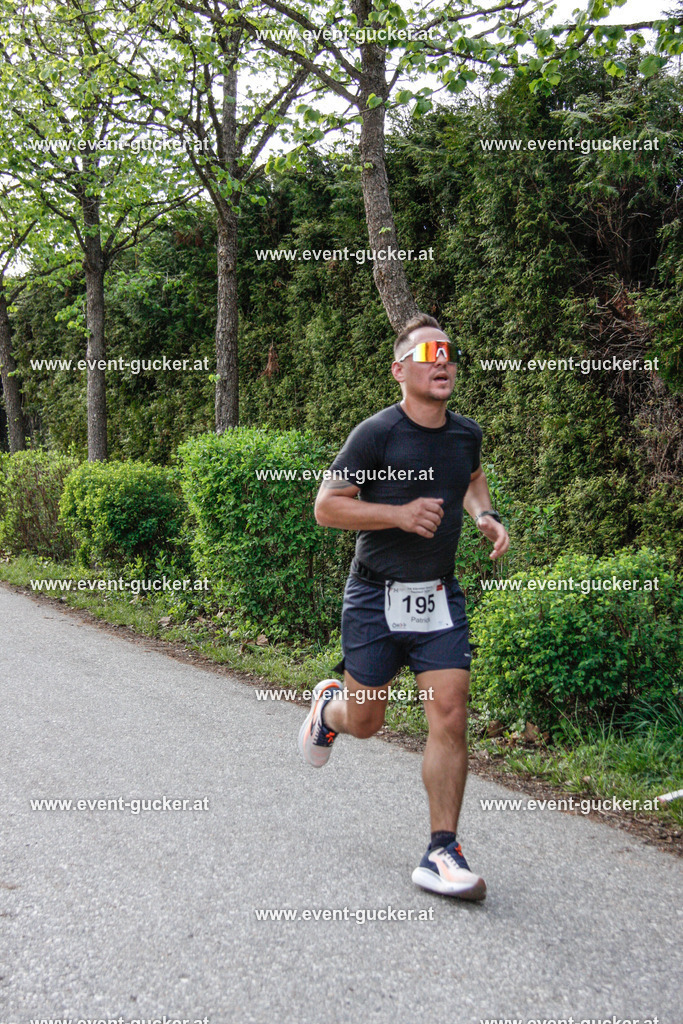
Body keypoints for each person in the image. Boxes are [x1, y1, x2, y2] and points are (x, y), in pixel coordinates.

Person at [298, 313, 509, 900]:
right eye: (428, 354)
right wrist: (397, 513)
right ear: (400, 370)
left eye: (449, 353)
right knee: (366, 723)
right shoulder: (377, 435)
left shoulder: (465, 433)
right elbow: (327, 507)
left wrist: (485, 515)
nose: (442, 361)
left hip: (438, 595)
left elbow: (470, 477)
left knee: (449, 711)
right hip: (373, 596)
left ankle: (442, 849)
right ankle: (328, 711)